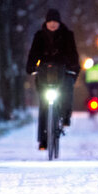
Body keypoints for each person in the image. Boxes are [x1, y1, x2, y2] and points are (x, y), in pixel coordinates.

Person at [25, 8, 80, 150]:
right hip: (44, 73)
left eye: (55, 21)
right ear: (46, 22)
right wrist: (31, 67)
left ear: (59, 22)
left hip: (63, 71)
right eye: (50, 22)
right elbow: (33, 54)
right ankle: (43, 140)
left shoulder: (68, 35)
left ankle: (65, 117)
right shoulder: (39, 36)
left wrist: (73, 68)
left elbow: (73, 54)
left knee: (67, 92)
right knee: (44, 105)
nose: (53, 24)